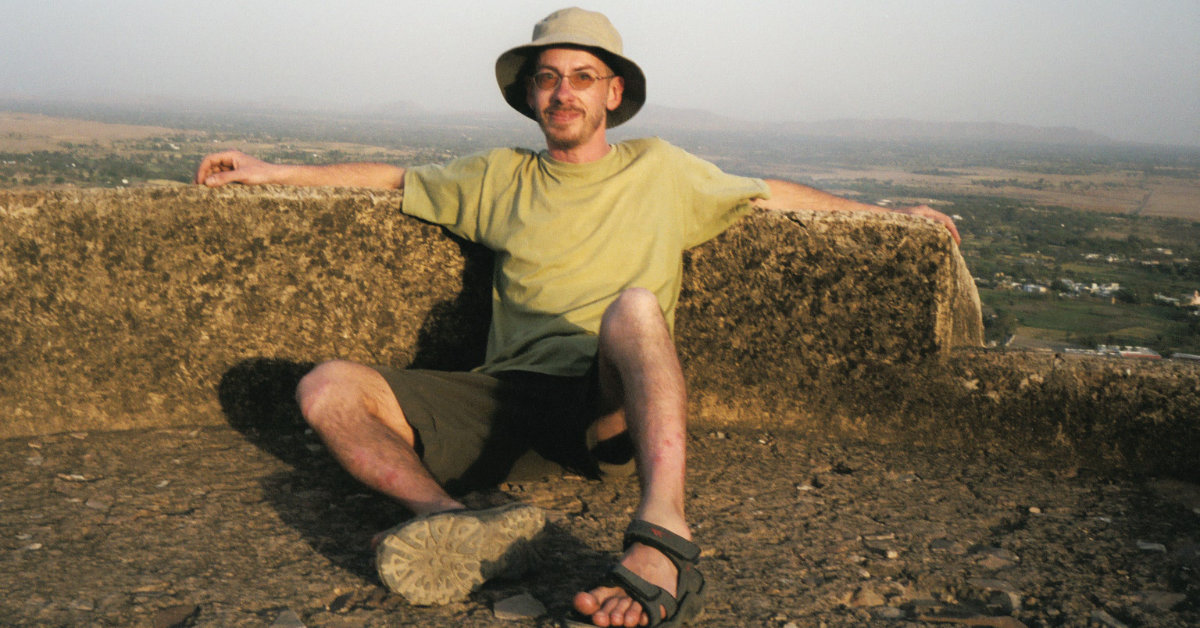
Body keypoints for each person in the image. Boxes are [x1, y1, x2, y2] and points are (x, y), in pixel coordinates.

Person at [195, 8, 958, 627]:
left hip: (604, 402)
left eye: (583, 79)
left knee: (633, 306)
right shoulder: (496, 177)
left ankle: (664, 533)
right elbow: (394, 180)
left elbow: (770, 194)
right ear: (531, 95)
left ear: (612, 95)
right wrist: (278, 171)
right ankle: (453, 522)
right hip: (504, 398)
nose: (564, 93)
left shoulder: (662, 169)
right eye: (548, 79)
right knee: (326, 388)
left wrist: (887, 215)